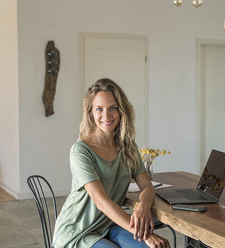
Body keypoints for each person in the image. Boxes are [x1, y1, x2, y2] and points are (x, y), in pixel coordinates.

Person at [52, 78, 170, 248]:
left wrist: (143, 205)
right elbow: (101, 202)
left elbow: (148, 187)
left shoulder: (128, 148)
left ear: (121, 111)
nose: (106, 116)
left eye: (112, 108)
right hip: (77, 232)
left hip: (109, 225)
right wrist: (146, 236)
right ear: (91, 112)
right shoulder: (81, 150)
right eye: (99, 109)